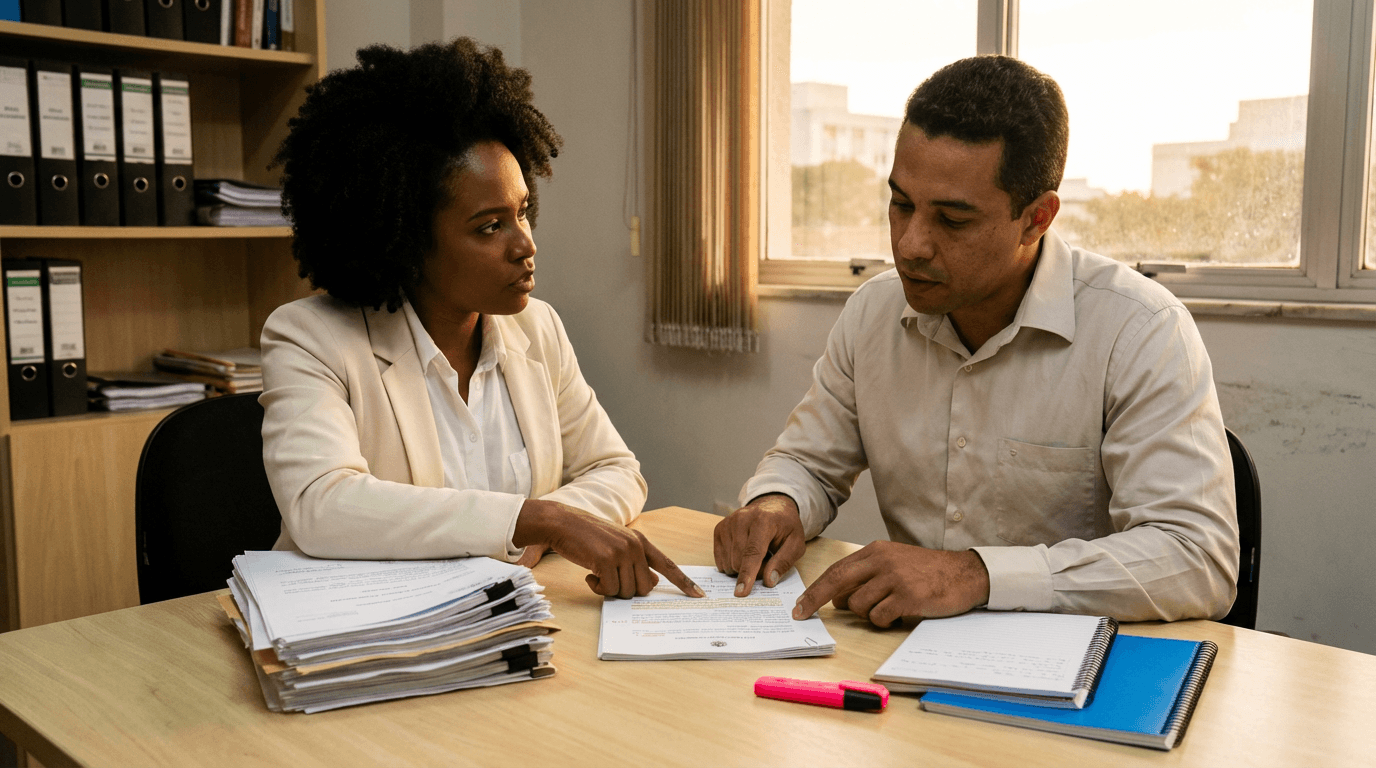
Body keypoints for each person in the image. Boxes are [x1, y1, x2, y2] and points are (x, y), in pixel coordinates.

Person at [715, 55, 1239, 625]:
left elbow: (1197, 558)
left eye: (953, 220)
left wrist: (973, 574)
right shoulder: (873, 313)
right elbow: (808, 463)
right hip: (905, 653)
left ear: (1036, 219)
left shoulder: (1139, 329)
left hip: (1074, 671)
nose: (911, 244)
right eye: (900, 204)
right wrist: (777, 503)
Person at [261, 38, 701, 600]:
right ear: (405, 241)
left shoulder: (537, 328)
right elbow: (321, 506)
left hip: (509, 619)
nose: (526, 245)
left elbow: (616, 469)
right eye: (490, 226)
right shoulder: (311, 338)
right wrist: (530, 521)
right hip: (363, 632)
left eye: (522, 212)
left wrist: (549, 520)